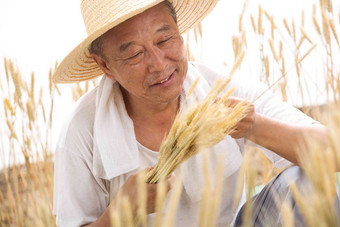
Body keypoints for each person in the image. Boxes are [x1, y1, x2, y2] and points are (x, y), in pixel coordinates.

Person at [52, 0, 332, 226]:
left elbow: (332, 152)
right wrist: (120, 213)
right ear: (105, 66)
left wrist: (254, 126)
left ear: (179, 32)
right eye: (135, 54)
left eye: (164, 40)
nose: (159, 65)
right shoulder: (80, 132)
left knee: (302, 184)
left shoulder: (220, 88)